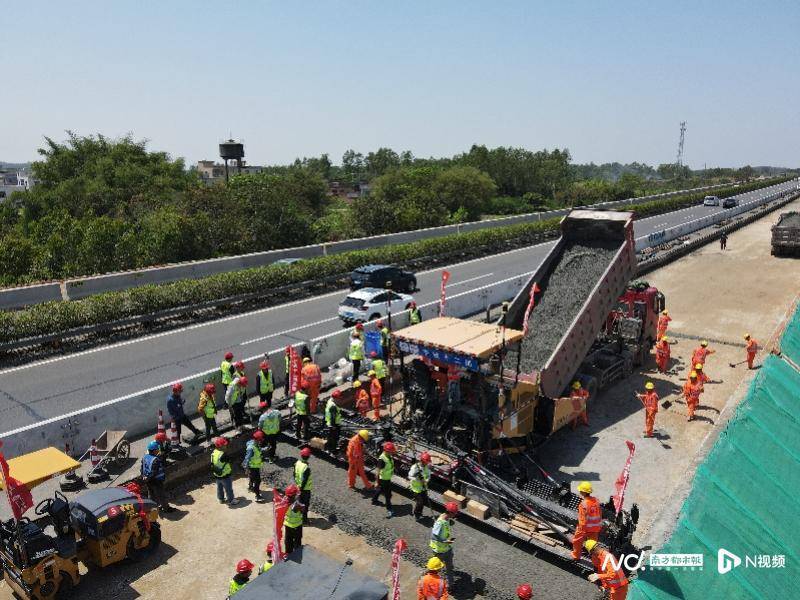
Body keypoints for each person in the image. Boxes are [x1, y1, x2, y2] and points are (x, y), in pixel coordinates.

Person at [430, 502, 459, 589]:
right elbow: (433, 536)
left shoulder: (446, 519)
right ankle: (430, 583)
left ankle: (450, 586)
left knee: (449, 567)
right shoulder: (440, 523)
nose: (455, 515)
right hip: (439, 550)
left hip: (447, 548)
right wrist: (445, 541)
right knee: (435, 568)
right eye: (454, 513)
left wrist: (447, 542)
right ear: (450, 512)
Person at [571, 481, 602, 560]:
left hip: (585, 528)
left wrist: (581, 530)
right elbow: (600, 513)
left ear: (584, 492)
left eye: (580, 490)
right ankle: (596, 562)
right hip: (596, 527)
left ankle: (576, 556)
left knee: (577, 541)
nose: (579, 491)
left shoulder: (583, 504)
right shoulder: (596, 500)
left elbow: (582, 520)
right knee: (593, 545)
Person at [141, 440, 174, 513]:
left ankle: (152, 510)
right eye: (157, 449)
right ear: (153, 450)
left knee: (151, 495)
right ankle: (166, 509)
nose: (158, 451)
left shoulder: (145, 457)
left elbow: (142, 468)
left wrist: (145, 477)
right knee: (161, 495)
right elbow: (154, 472)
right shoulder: (155, 460)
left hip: (148, 481)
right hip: (156, 481)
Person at [372, 441, 396, 518]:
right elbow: (377, 471)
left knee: (380, 489)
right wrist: (376, 481)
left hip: (387, 478)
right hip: (383, 479)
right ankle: (389, 509)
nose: (392, 453)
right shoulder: (382, 459)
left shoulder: (388, 456)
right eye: (391, 451)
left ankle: (374, 500)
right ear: (386, 451)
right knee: (388, 495)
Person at [211, 437, 238, 505]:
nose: (226, 446)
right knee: (228, 489)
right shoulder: (223, 455)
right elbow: (230, 460)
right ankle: (231, 500)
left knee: (219, 488)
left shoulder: (214, 452)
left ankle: (221, 499)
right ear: (220, 446)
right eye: (224, 445)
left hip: (217, 474)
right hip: (225, 475)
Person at [242, 430, 265, 501]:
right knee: (258, 481)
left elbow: (258, 450)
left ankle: (251, 486)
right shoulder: (251, 448)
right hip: (252, 467)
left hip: (256, 465)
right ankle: (257, 496)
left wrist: (264, 449)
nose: (262, 441)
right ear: (258, 439)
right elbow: (247, 458)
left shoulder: (255, 444)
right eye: (261, 439)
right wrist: (246, 468)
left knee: (252, 477)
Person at [409, 451, 431, 520]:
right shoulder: (415, 467)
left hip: (423, 487)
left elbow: (428, 475)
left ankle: (419, 512)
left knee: (424, 501)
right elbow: (410, 476)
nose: (427, 463)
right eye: (426, 462)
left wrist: (427, 480)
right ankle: (416, 513)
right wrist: (417, 479)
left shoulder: (426, 467)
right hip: (416, 488)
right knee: (420, 502)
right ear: (422, 461)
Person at [283, 484, 305, 554]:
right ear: (294, 495)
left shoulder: (284, 501)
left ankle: (288, 553)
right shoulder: (296, 505)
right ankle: (296, 553)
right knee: (297, 540)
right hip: (296, 525)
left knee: (288, 540)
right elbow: (302, 509)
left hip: (287, 524)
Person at [294, 447, 313, 523]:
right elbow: (304, 480)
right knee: (305, 504)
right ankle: (304, 520)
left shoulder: (297, 463)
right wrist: (301, 490)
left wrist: (298, 486)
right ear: (308, 457)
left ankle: (298, 516)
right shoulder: (306, 468)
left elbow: (294, 475)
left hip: (298, 486)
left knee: (299, 502)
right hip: (305, 489)